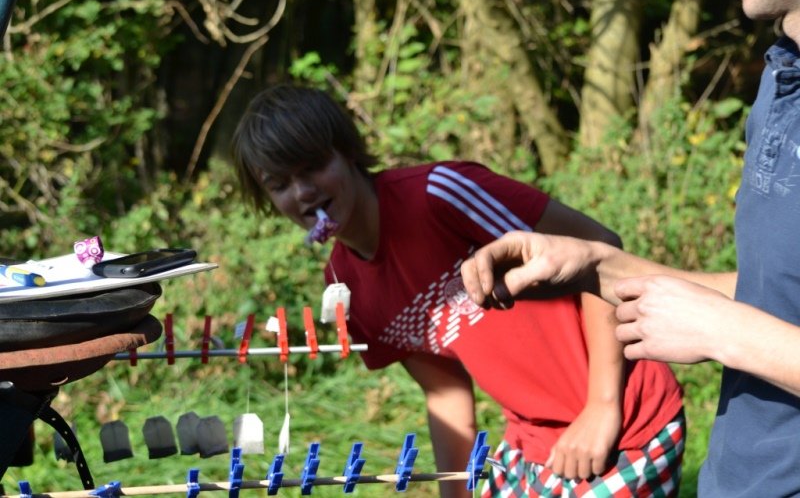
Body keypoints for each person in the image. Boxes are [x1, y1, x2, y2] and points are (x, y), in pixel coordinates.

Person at [232, 84, 684, 497]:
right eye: (279, 184)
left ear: (346, 151)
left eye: (314, 167)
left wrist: (602, 407)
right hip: (534, 438)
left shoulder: (439, 195)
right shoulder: (343, 287)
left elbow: (601, 249)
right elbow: (445, 393)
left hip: (627, 417)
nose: (303, 192)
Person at [461, 0, 800, 496]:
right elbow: (781, 292)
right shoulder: (782, 78)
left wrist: (724, 332)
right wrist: (597, 268)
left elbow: (745, 322)